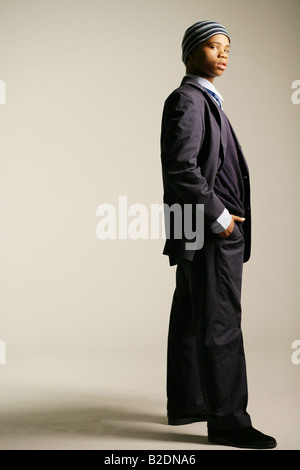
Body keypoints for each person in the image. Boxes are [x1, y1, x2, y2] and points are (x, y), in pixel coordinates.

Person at [160, 20, 277, 449]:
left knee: (192, 318)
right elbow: (181, 167)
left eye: (227, 47)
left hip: (197, 228)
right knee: (221, 322)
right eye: (213, 46)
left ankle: (189, 403)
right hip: (209, 230)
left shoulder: (202, 101)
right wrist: (221, 219)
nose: (223, 53)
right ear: (190, 54)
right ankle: (228, 421)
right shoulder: (189, 101)